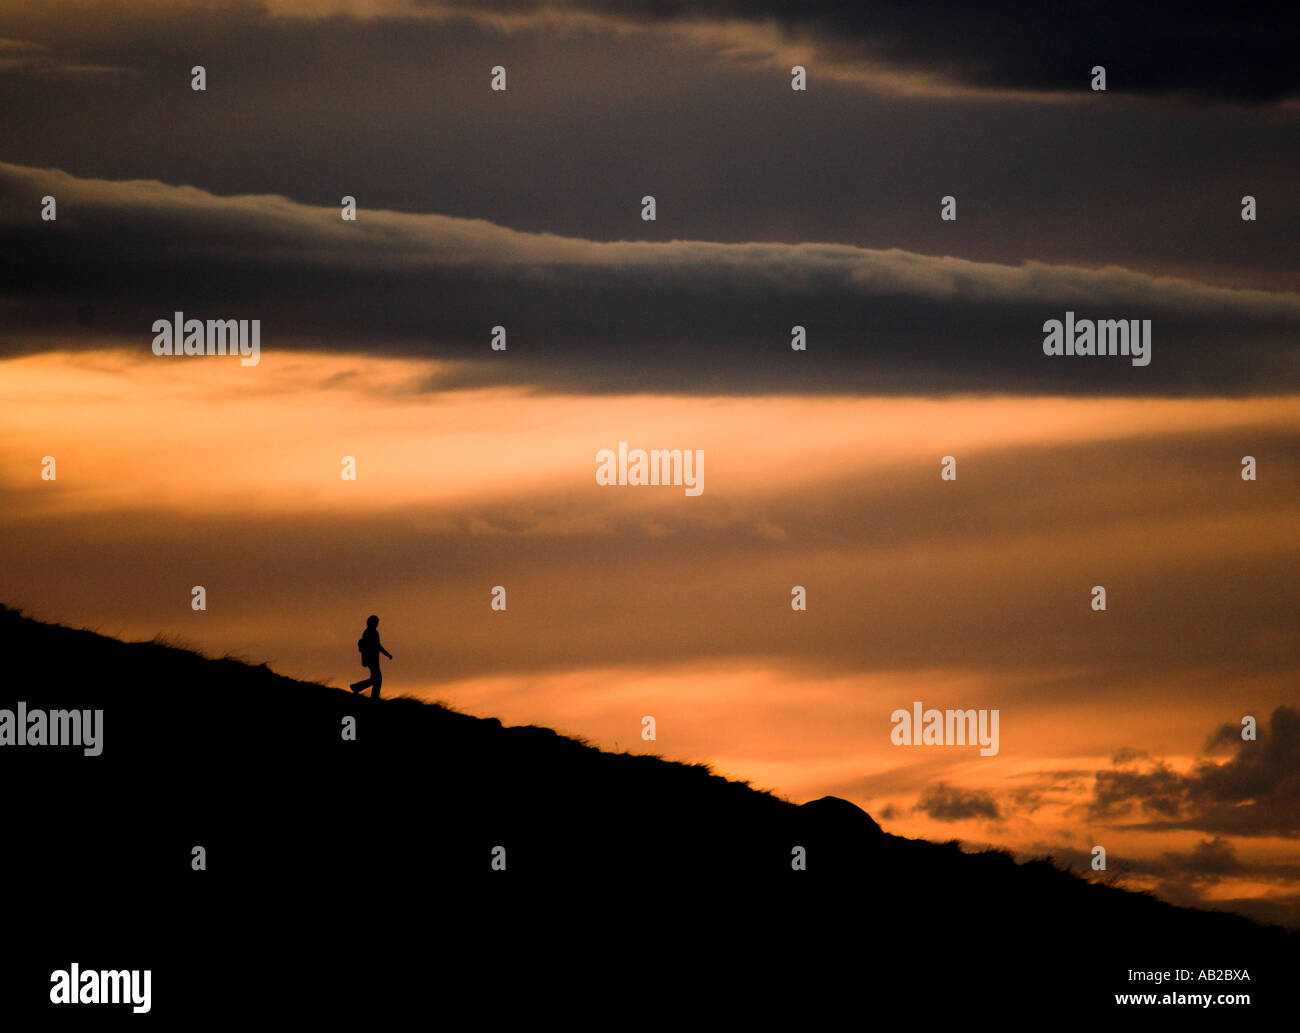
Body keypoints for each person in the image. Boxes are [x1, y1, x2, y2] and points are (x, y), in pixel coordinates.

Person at [350, 615, 392, 698]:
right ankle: (359, 688)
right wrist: (387, 654)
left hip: (371, 659)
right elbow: (377, 646)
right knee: (377, 679)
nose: (377, 624)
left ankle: (358, 688)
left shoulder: (367, 632)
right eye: (376, 622)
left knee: (375, 679)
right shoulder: (372, 632)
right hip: (372, 659)